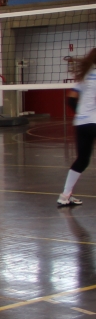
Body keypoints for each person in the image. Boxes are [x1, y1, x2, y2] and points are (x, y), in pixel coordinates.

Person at [59, 48, 96, 207]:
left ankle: (65, 196)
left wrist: (81, 114)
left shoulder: (85, 75)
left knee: (82, 160)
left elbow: (71, 100)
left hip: (81, 123)